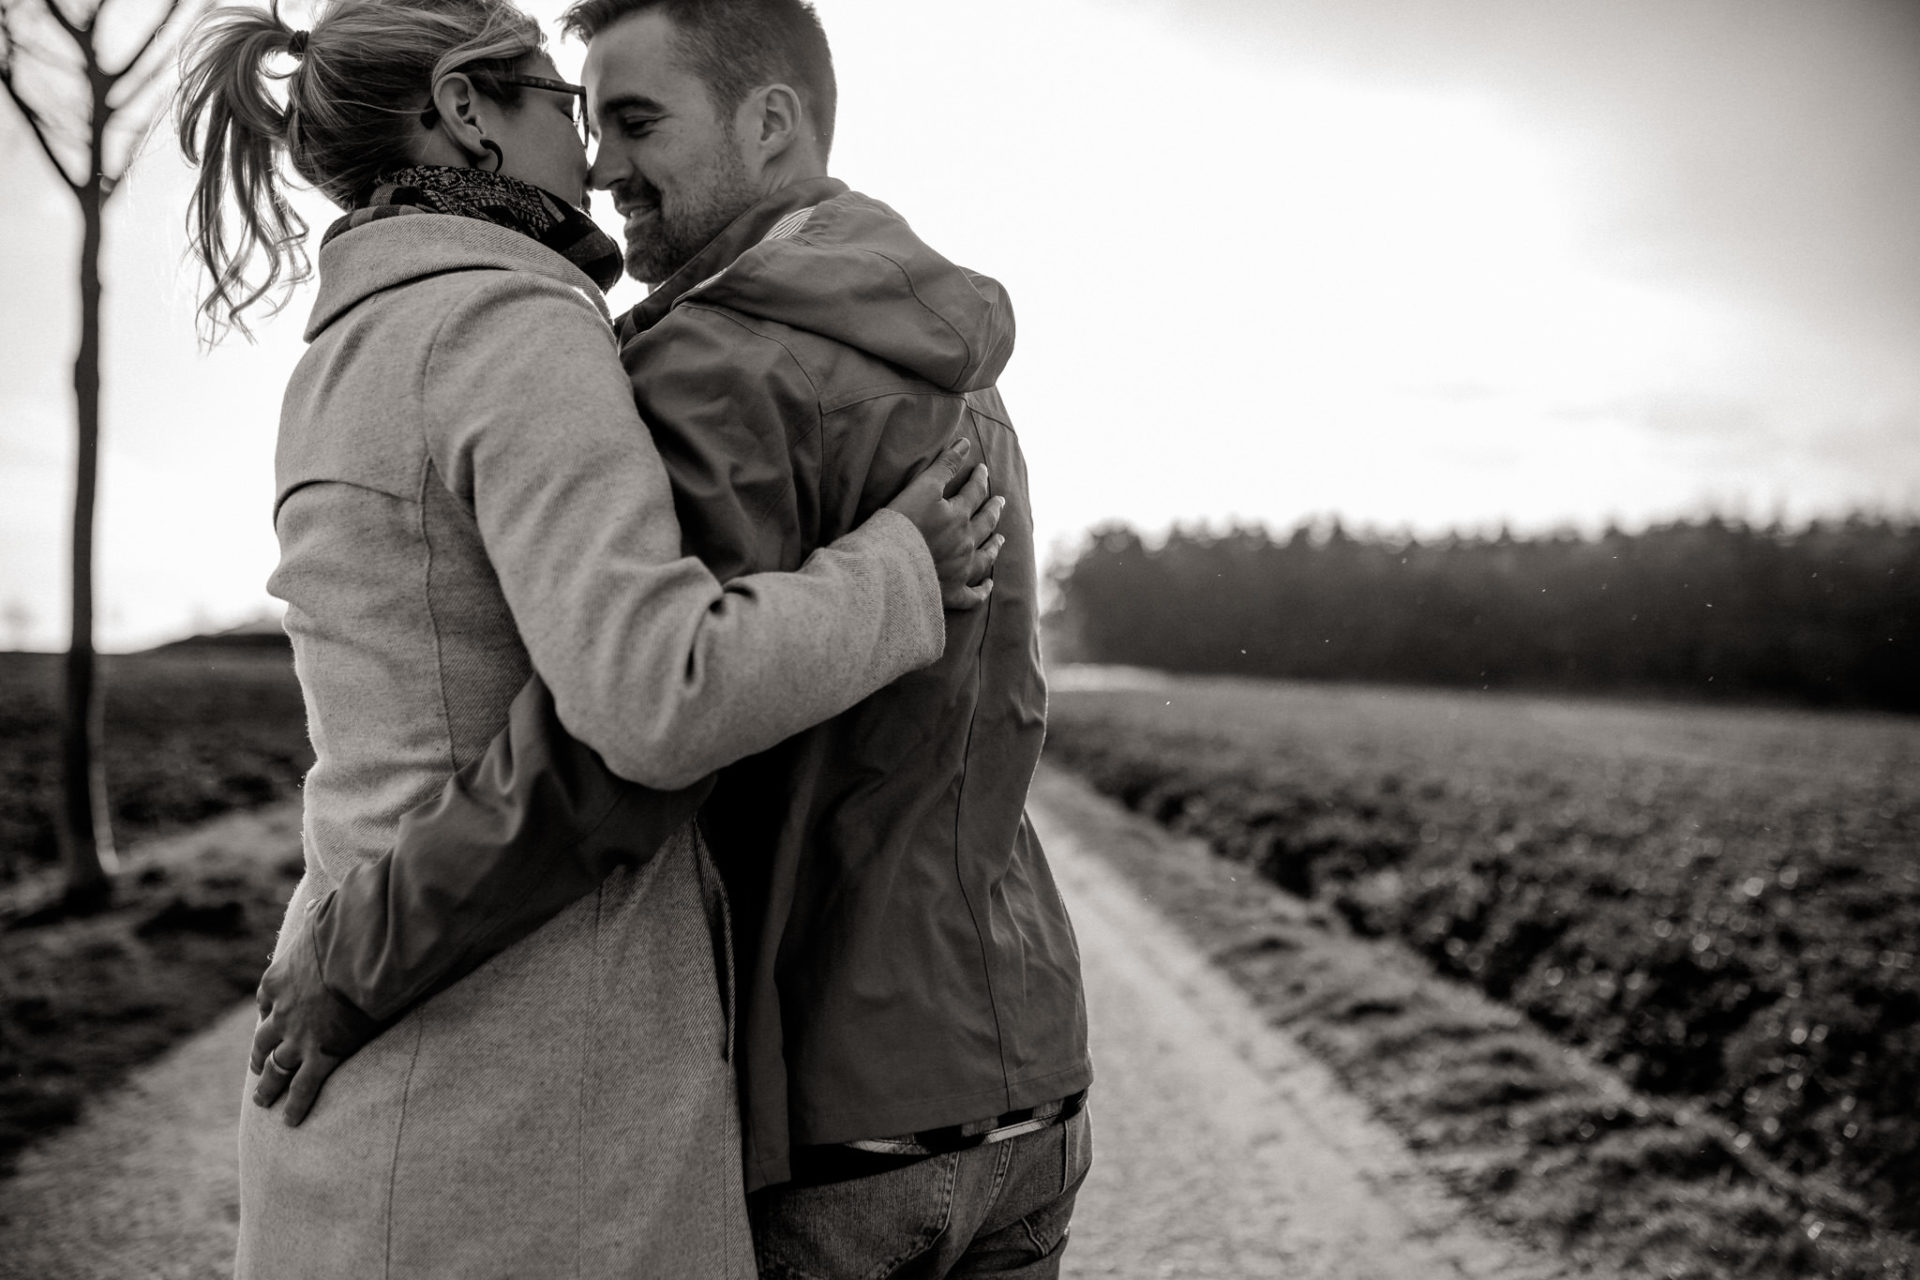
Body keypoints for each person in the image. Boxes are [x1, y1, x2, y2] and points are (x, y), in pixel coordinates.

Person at [247, 1, 1095, 1275]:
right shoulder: (954, 356)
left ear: (769, 123)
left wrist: (361, 953)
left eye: (634, 119)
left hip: (840, 1110)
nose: (599, 160)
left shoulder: (710, 375)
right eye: (586, 114)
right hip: (1028, 1075)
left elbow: (619, 746)